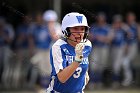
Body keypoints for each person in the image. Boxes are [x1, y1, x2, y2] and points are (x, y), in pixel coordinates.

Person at [47, 12, 92, 93]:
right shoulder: (59, 47)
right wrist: (77, 60)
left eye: (82, 29)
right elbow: (62, 78)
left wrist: (85, 74)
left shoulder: (87, 45)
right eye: (75, 28)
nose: (80, 33)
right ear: (66, 30)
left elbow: (84, 71)